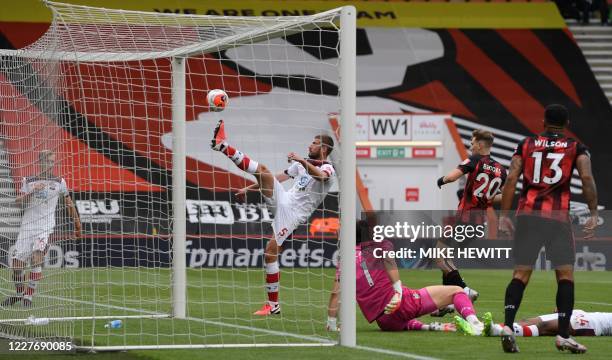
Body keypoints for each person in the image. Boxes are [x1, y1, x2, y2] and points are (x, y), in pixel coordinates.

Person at [498, 104, 598, 354]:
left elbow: (511, 178)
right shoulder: (576, 148)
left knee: (520, 275)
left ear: (543, 122)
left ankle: (509, 328)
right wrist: (594, 213)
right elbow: (586, 178)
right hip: (558, 221)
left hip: (528, 217)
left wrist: (503, 216)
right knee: (565, 276)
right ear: (567, 124)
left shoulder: (526, 144)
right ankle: (563, 336)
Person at [211, 120, 336, 316]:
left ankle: (273, 305)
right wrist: (249, 188)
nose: (309, 145)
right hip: (284, 201)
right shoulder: (301, 165)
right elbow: (277, 178)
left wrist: (302, 161)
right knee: (263, 171)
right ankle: (222, 146)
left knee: (270, 253)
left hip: (294, 214)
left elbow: (321, 176)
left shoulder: (329, 168)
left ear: (325, 148)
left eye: (314, 143)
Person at [355, 220, 485, 335]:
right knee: (457, 291)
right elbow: (389, 262)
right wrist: (398, 292)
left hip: (384, 321)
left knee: (403, 320)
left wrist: (333, 319)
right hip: (401, 304)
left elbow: (337, 292)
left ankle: (434, 326)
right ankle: (476, 325)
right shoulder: (378, 246)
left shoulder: (345, 259)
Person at [435, 129, 507, 310]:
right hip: (478, 222)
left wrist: (442, 180)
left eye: (473, 142)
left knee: (439, 255)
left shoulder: (474, 160)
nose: (470, 145)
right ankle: (447, 304)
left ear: (481, 145)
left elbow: (452, 177)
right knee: (446, 257)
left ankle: (464, 290)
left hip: (464, 218)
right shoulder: (501, 170)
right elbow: (501, 197)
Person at [2, 150, 82, 307]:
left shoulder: (59, 182)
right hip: (27, 227)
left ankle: (28, 298)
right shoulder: (30, 180)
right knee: (17, 266)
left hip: (44, 227)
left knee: (37, 258)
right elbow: (18, 202)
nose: (51, 164)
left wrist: (77, 223)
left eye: (53, 161)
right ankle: (19, 293)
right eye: (48, 161)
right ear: (41, 162)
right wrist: (32, 191)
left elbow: (68, 203)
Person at [483, 310, 612, 337]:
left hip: (592, 324)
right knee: (525, 321)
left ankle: (496, 331)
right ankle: (483, 329)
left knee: (545, 327)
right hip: (582, 313)